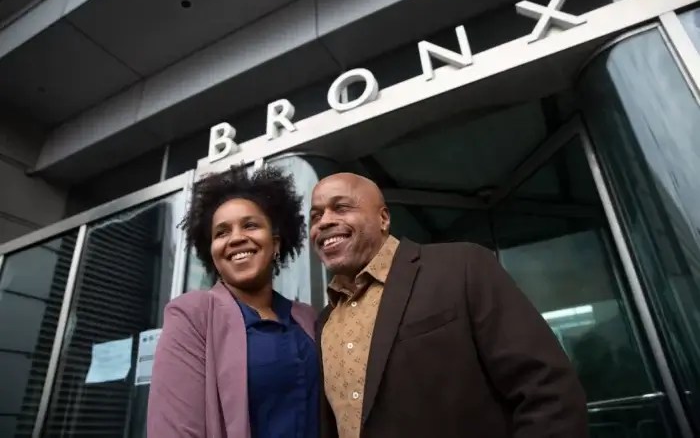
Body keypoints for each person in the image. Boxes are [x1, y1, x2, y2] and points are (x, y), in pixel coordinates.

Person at [310, 173, 588, 438]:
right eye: (316, 215)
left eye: (341, 207)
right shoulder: (325, 320)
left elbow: (548, 391)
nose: (324, 222)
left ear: (383, 218)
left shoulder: (462, 267)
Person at [147, 165, 318, 438]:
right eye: (222, 232)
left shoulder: (308, 318)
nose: (236, 238)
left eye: (250, 225)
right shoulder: (192, 315)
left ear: (275, 244)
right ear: (212, 252)